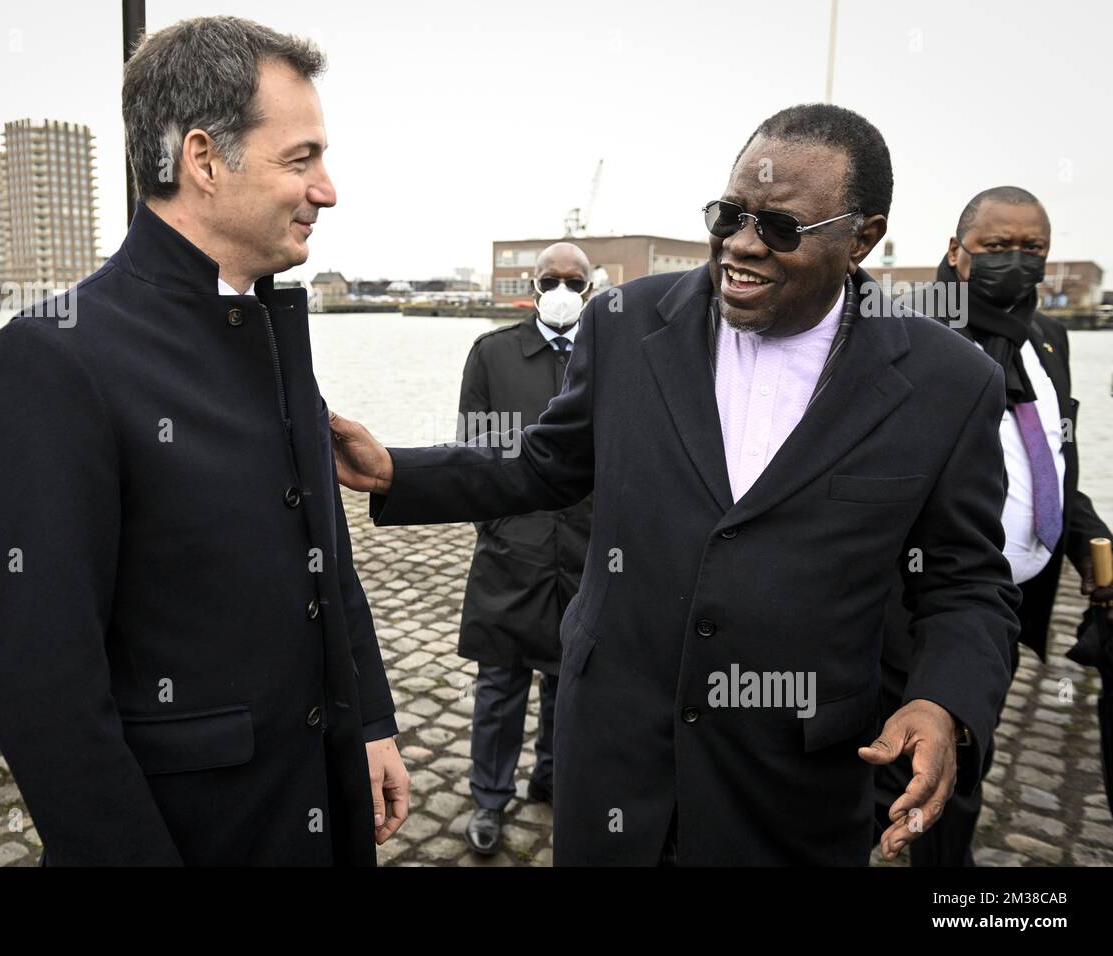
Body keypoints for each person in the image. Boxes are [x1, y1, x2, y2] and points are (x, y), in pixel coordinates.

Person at [330, 104, 1019, 865]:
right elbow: (546, 463)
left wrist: (944, 703)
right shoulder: (626, 323)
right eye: (730, 215)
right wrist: (397, 469)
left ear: (863, 238)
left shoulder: (947, 384)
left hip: (791, 784)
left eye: (781, 228)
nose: (743, 246)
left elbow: (966, 584)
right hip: (615, 757)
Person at [0, 16, 408, 866]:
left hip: (318, 804)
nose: (328, 189)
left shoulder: (270, 330)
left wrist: (370, 722)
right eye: (300, 159)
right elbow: (43, 690)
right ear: (202, 159)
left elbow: (326, 554)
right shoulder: (52, 357)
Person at [875, 186, 1113, 864]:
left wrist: (1093, 545)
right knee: (896, 769)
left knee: (963, 764)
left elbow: (1054, 460)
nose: (1018, 262)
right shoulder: (910, 335)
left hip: (1000, 608)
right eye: (997, 248)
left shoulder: (1049, 336)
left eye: (1032, 250)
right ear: (957, 253)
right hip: (911, 604)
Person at [458, 241, 594, 855]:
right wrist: (497, 529)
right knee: (501, 683)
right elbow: (474, 454)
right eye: (550, 280)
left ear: (589, 288)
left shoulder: (608, 353)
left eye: (574, 281)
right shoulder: (493, 353)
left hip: (589, 550)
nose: (562, 290)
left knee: (571, 682)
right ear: (532, 286)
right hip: (514, 549)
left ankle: (553, 777)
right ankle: (489, 799)